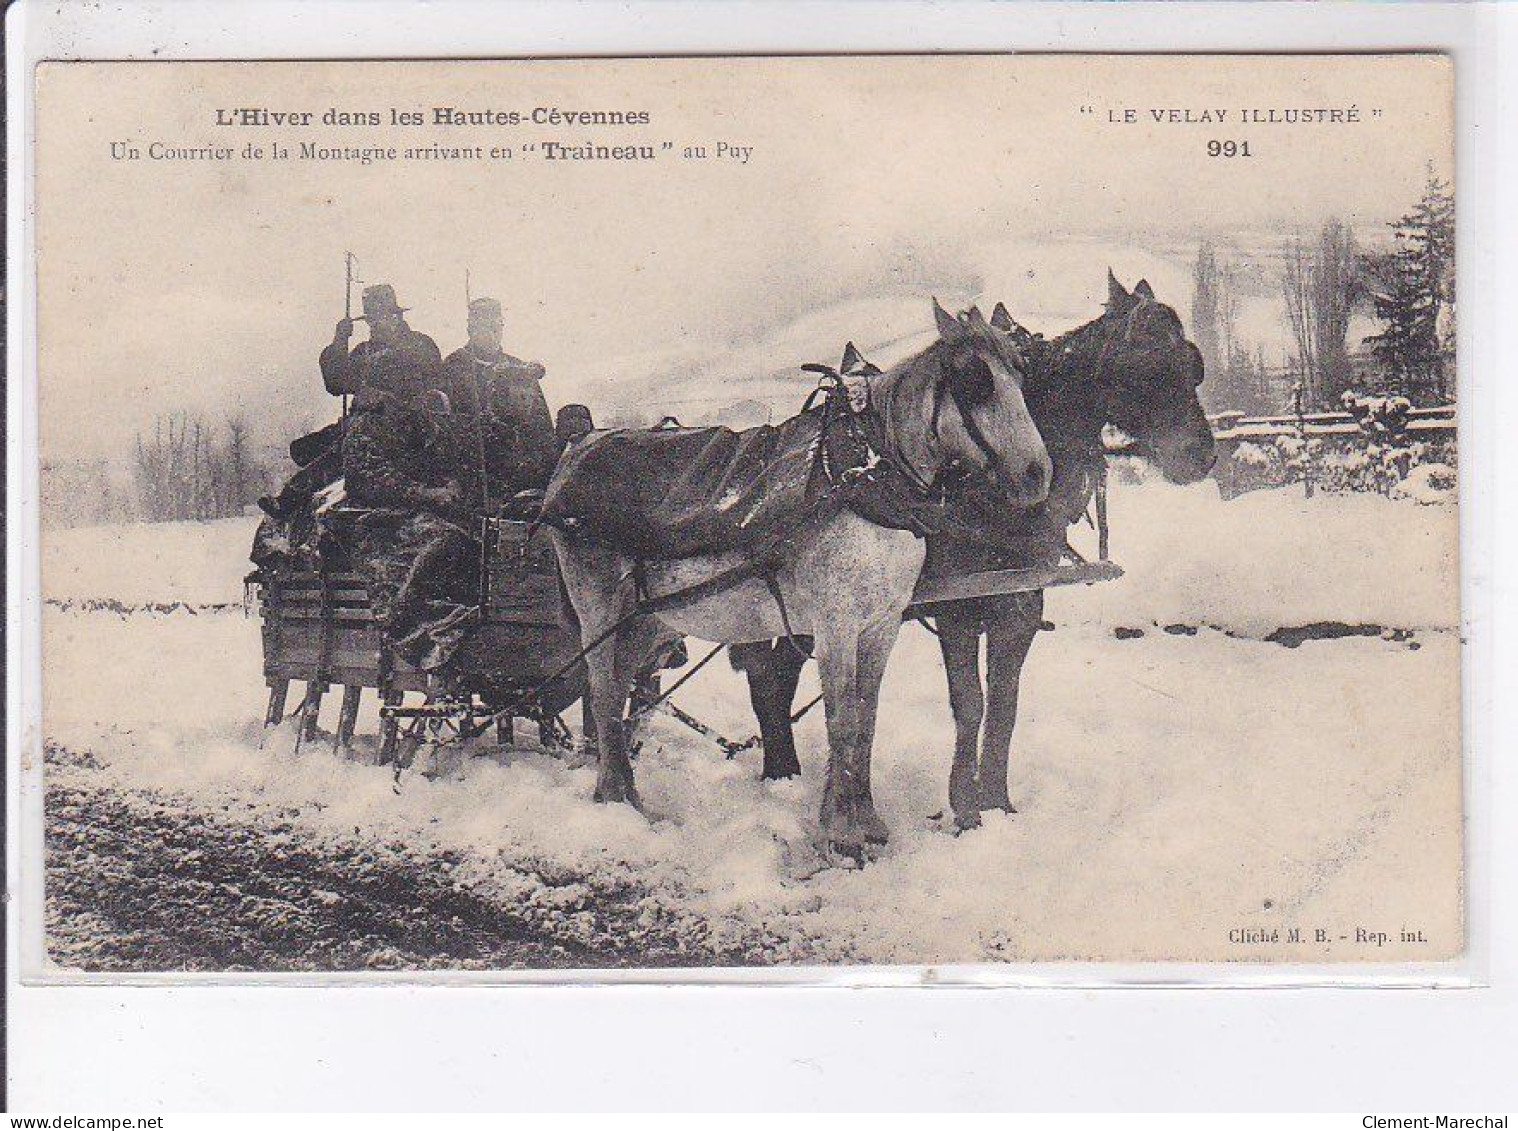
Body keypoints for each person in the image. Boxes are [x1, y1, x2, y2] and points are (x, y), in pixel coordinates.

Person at [259, 284, 442, 523]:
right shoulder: (364, 352)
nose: (377, 324)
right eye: (372, 319)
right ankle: (292, 497)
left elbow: (437, 385)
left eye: (383, 316)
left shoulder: (420, 346)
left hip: (407, 424)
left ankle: (291, 497)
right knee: (309, 447)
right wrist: (339, 343)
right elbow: (336, 382)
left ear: (396, 315)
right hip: (364, 421)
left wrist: (391, 400)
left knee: (343, 448)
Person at [330, 384, 481, 673]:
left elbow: (442, 464)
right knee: (439, 542)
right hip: (380, 521)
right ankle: (417, 622)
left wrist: (451, 484)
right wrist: (426, 493)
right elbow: (371, 479)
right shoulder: (368, 427)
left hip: (426, 512)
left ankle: (466, 618)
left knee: (473, 539)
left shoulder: (421, 422)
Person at [440, 297, 559, 499]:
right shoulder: (453, 367)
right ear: (471, 329)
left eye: (497, 327)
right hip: (474, 468)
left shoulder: (518, 367)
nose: (493, 334)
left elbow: (542, 425)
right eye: (485, 327)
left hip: (519, 471)